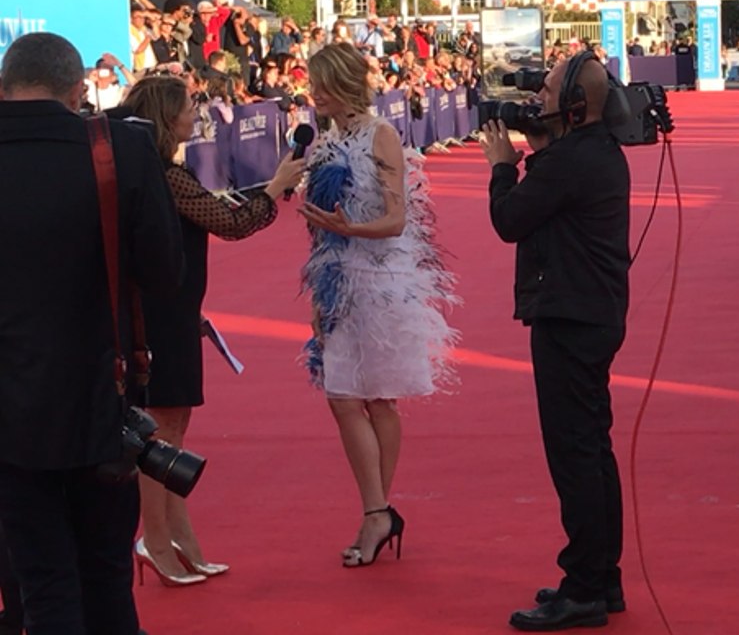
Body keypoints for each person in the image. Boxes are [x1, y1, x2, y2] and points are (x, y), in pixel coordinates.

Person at [0, 33, 183, 632]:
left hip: (10, 410)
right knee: (106, 577)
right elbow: (164, 274)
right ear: (79, 89)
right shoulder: (117, 150)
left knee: (41, 579)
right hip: (102, 397)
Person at [118, 76, 305, 587]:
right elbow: (231, 223)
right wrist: (275, 187)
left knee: (171, 429)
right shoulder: (166, 178)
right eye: (186, 108)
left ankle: (177, 537)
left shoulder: (158, 173)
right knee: (158, 432)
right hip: (157, 316)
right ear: (165, 117)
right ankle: (154, 539)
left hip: (173, 311)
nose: (194, 116)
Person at [481, 53, 631, 631]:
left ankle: (585, 587)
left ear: (572, 105)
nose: (533, 100)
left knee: (574, 456)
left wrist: (501, 165)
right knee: (593, 449)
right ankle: (602, 576)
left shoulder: (569, 162)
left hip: (570, 319)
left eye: (543, 92)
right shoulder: (594, 150)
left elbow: (509, 220)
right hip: (593, 314)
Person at [299, 43, 457, 569]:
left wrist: (350, 229)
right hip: (338, 281)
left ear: (344, 84)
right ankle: (378, 511)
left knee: (378, 399)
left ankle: (376, 513)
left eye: (320, 84)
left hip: (382, 280)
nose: (312, 93)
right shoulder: (324, 143)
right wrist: (319, 290)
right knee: (344, 396)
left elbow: (395, 222)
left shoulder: (381, 136)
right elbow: (318, 229)